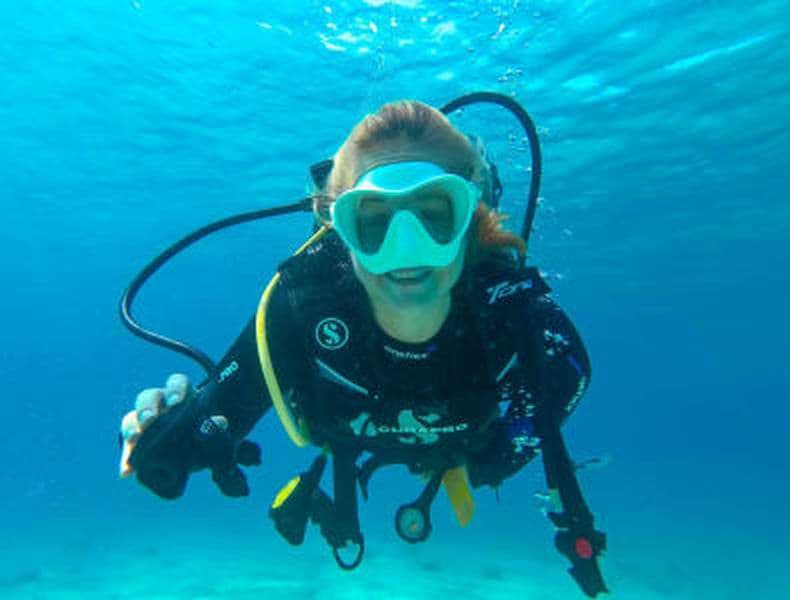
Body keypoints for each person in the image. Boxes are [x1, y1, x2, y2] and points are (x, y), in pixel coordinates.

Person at [118, 99, 608, 597]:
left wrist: (492, 460)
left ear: (470, 218)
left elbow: (565, 380)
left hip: (458, 448)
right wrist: (167, 433)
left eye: (434, 214)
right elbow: (207, 423)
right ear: (340, 230)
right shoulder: (303, 306)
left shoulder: (509, 309)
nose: (406, 250)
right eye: (373, 221)